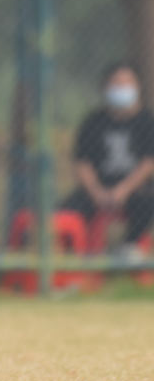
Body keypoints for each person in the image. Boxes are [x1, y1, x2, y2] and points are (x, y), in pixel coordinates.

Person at [60, 63, 154, 256]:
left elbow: (149, 163)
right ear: (105, 88)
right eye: (116, 84)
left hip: (136, 186)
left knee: (148, 201)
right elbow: (82, 162)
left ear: (137, 87)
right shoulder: (93, 121)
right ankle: (70, 256)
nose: (121, 88)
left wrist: (124, 189)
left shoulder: (147, 121)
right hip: (100, 186)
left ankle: (129, 247)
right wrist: (97, 192)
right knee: (66, 210)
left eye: (126, 83)